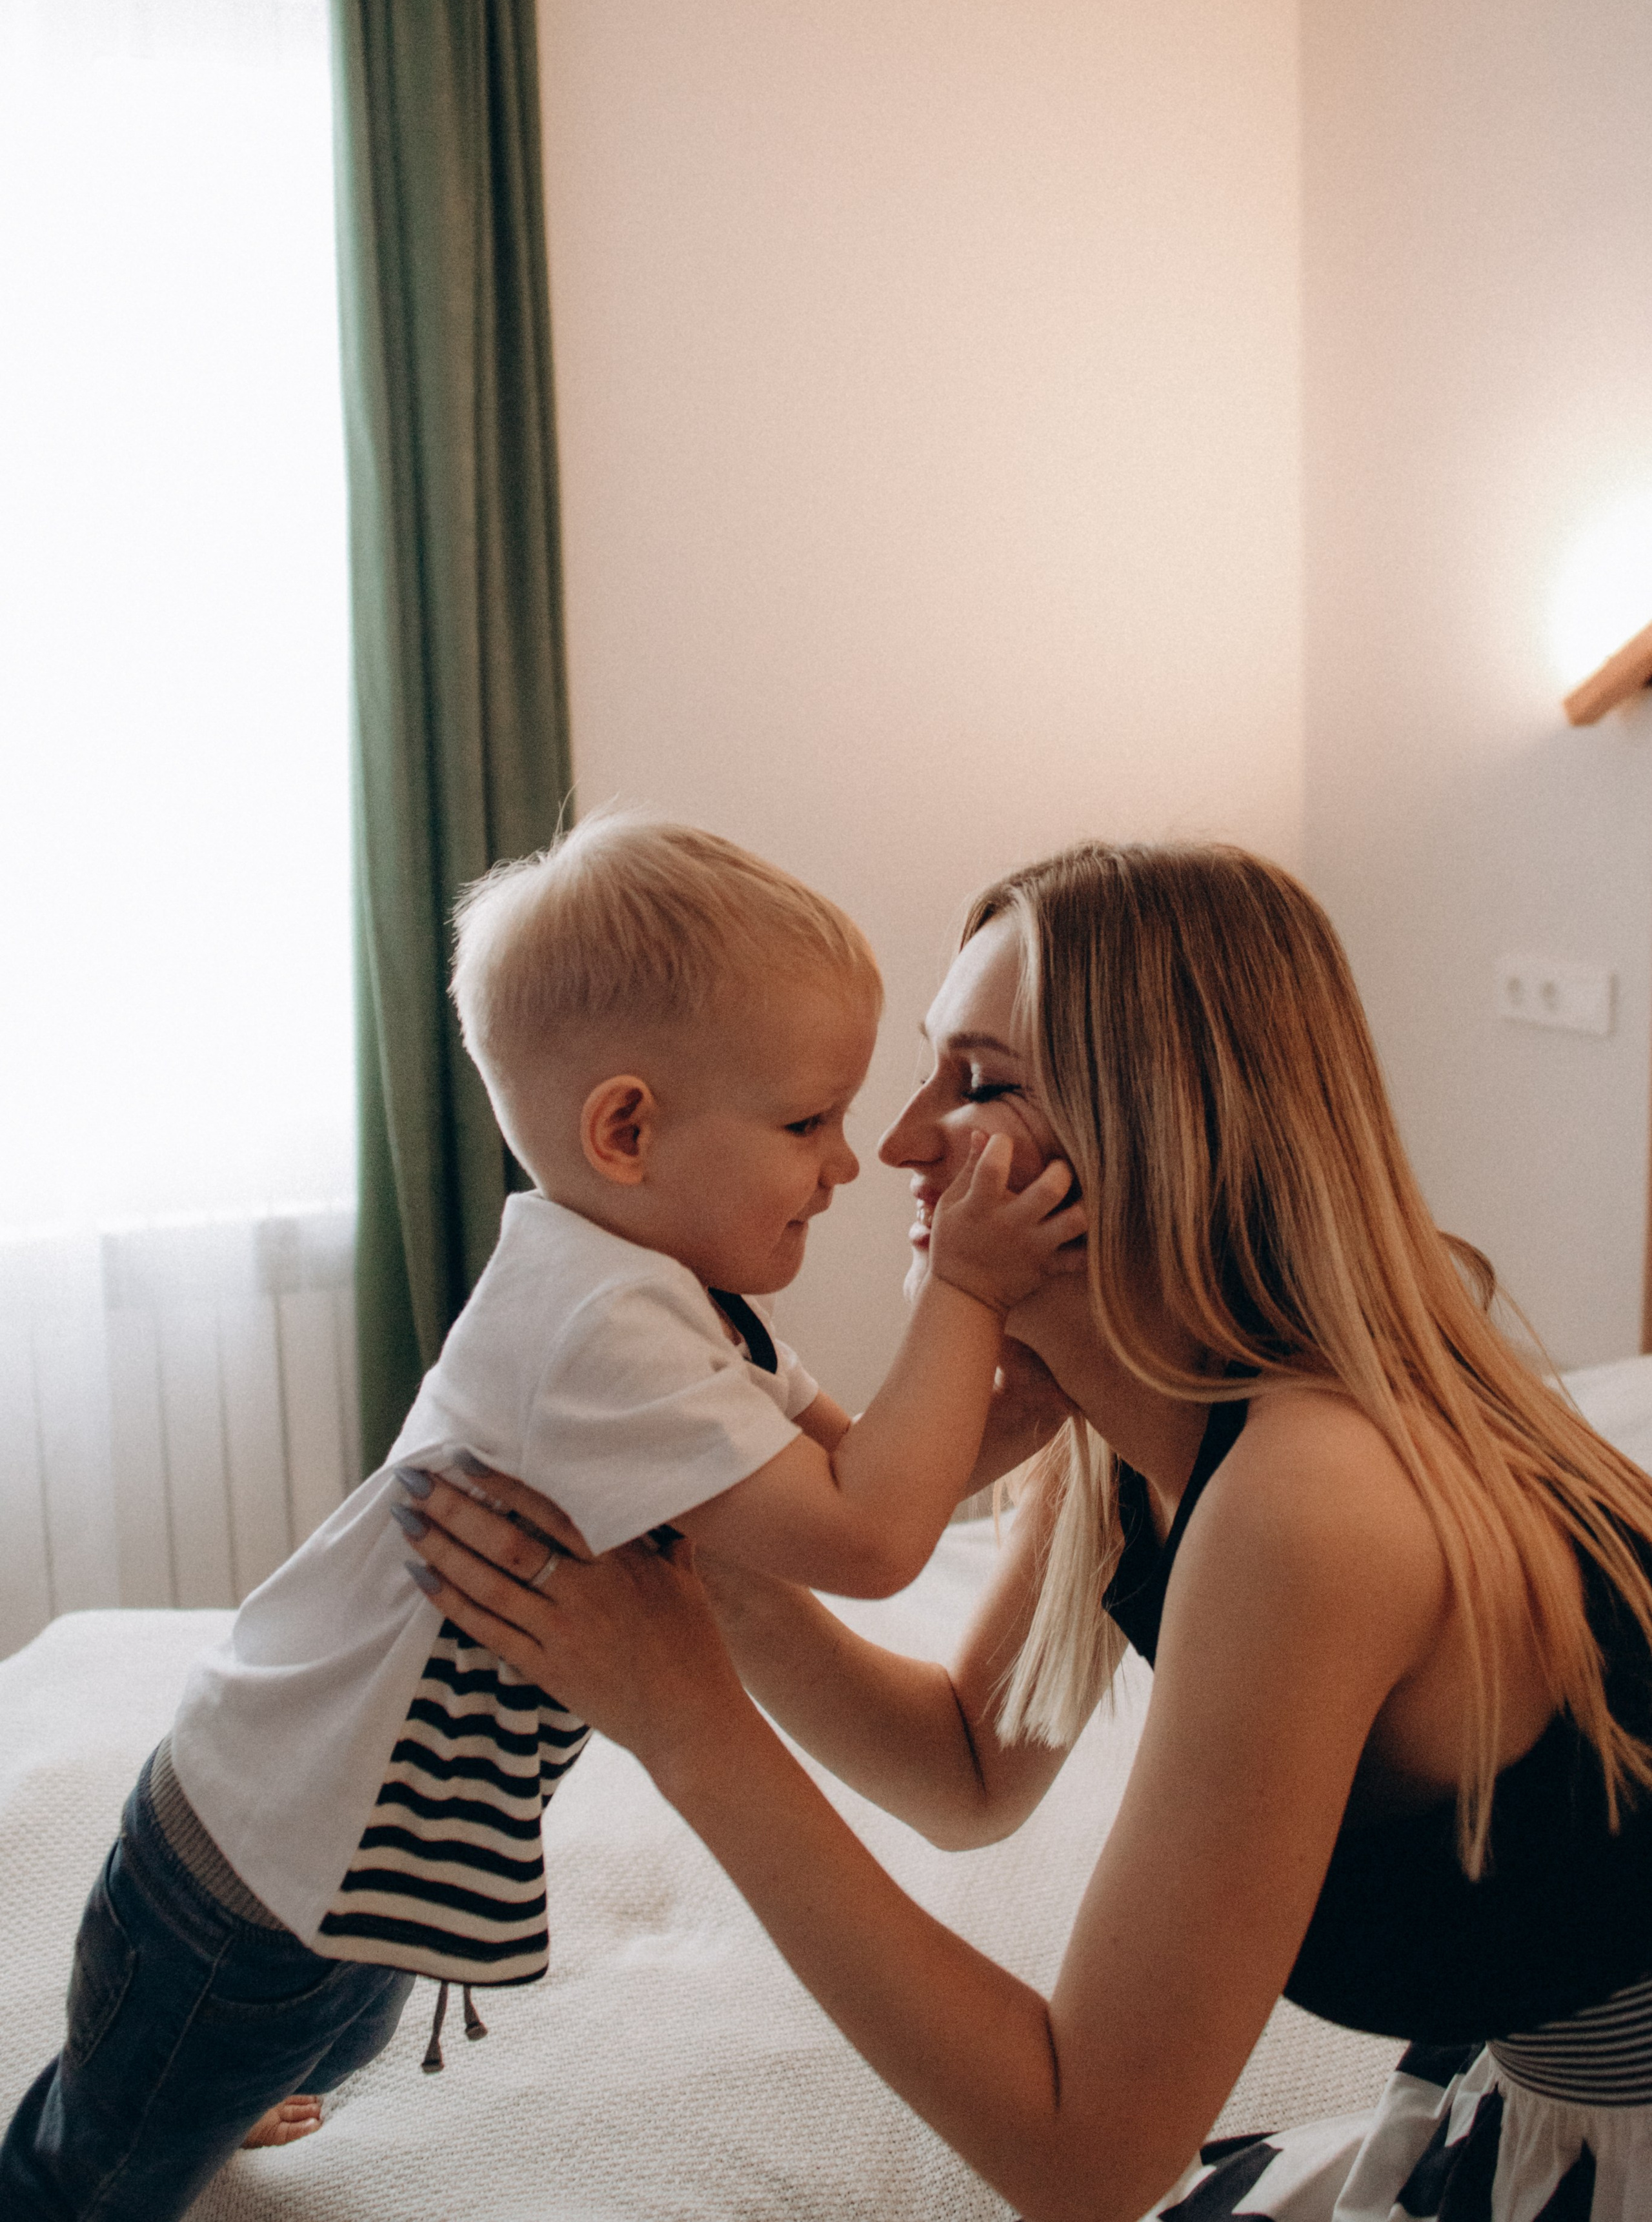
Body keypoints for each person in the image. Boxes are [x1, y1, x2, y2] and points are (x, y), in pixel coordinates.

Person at [398, 840, 1652, 2222]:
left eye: (981, 1084)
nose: (893, 1144)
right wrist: (714, 1573)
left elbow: (1084, 2157)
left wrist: (684, 1723)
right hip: (1521, 2101)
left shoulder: (1308, 1499)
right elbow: (966, 1772)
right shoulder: (1108, 1427)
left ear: (1162, 1127)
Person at [0, 814, 1078, 2222]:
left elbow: (863, 1472)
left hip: (345, 1862)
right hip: (252, 1877)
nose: (847, 1164)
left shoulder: (672, 1307)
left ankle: (229, 2079)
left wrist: (1014, 1416)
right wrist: (968, 1290)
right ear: (626, 1130)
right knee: (98, 2168)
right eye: (805, 1123)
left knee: (330, 2032)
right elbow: (870, 1544)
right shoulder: (593, 1333)